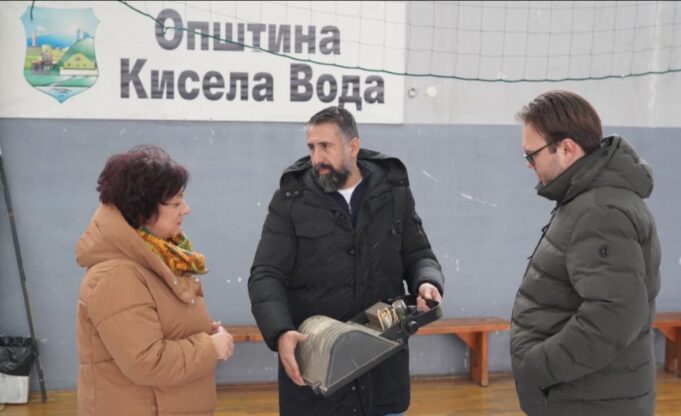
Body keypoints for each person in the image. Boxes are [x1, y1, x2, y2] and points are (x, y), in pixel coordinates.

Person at [248, 106, 444, 415]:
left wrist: (427, 281)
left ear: (353, 147)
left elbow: (419, 254)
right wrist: (280, 331)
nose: (317, 158)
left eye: (326, 146)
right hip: (317, 377)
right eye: (312, 147)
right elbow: (265, 274)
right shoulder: (291, 199)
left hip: (382, 374)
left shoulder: (393, 192)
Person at [511, 90, 661, 416]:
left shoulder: (599, 211)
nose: (528, 165)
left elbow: (615, 316)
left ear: (566, 149)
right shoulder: (587, 200)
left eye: (531, 155)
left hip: (590, 400)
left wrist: (537, 366)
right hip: (584, 395)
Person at [75, 145, 234, 416]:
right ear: (143, 210)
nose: (186, 209)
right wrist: (210, 348)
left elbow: (155, 325)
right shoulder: (116, 276)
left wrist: (199, 329)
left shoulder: (153, 259)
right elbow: (146, 361)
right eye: (176, 203)